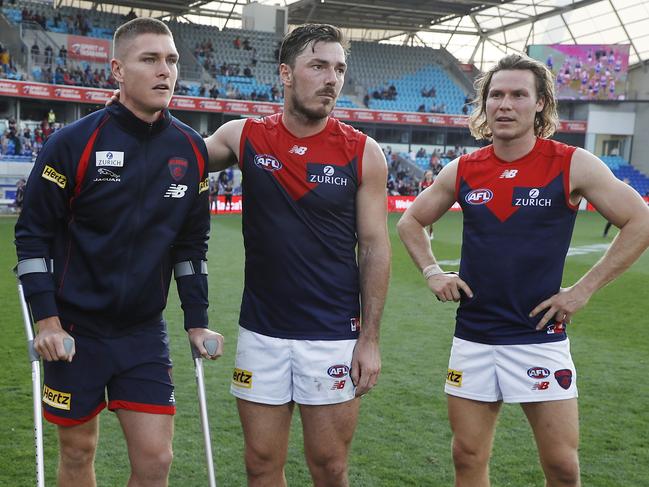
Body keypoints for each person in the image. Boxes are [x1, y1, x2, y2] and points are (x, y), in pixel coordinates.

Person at [397, 53, 649, 487]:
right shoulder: (463, 169)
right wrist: (432, 272)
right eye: (496, 94)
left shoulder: (572, 163)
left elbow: (640, 220)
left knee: (562, 467)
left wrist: (583, 290)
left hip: (539, 338)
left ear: (540, 104)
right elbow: (410, 221)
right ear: (484, 104)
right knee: (468, 456)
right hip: (474, 337)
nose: (505, 104)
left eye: (518, 94)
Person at [15, 18, 223, 487]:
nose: (164, 71)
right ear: (116, 70)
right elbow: (32, 240)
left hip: (142, 333)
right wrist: (46, 322)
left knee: (156, 460)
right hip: (73, 331)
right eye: (149, 59)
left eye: (170, 60)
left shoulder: (191, 150)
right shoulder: (72, 143)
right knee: (78, 453)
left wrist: (197, 319)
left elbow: (191, 247)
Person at [205, 24, 390, 486]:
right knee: (261, 466)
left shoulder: (363, 152)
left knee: (329, 467)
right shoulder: (242, 136)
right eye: (318, 66)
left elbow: (374, 247)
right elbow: (177, 158)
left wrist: (369, 340)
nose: (332, 78)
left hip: (331, 335)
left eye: (340, 68)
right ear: (286, 74)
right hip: (261, 332)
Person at [418, 170, 435, 239]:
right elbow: (419, 193)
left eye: (430, 174)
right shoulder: (422, 183)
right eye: (428, 174)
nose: (429, 176)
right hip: (424, 201)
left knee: (431, 219)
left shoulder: (434, 183)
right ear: (425, 175)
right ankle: (423, 233)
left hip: (432, 201)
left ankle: (431, 233)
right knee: (423, 217)